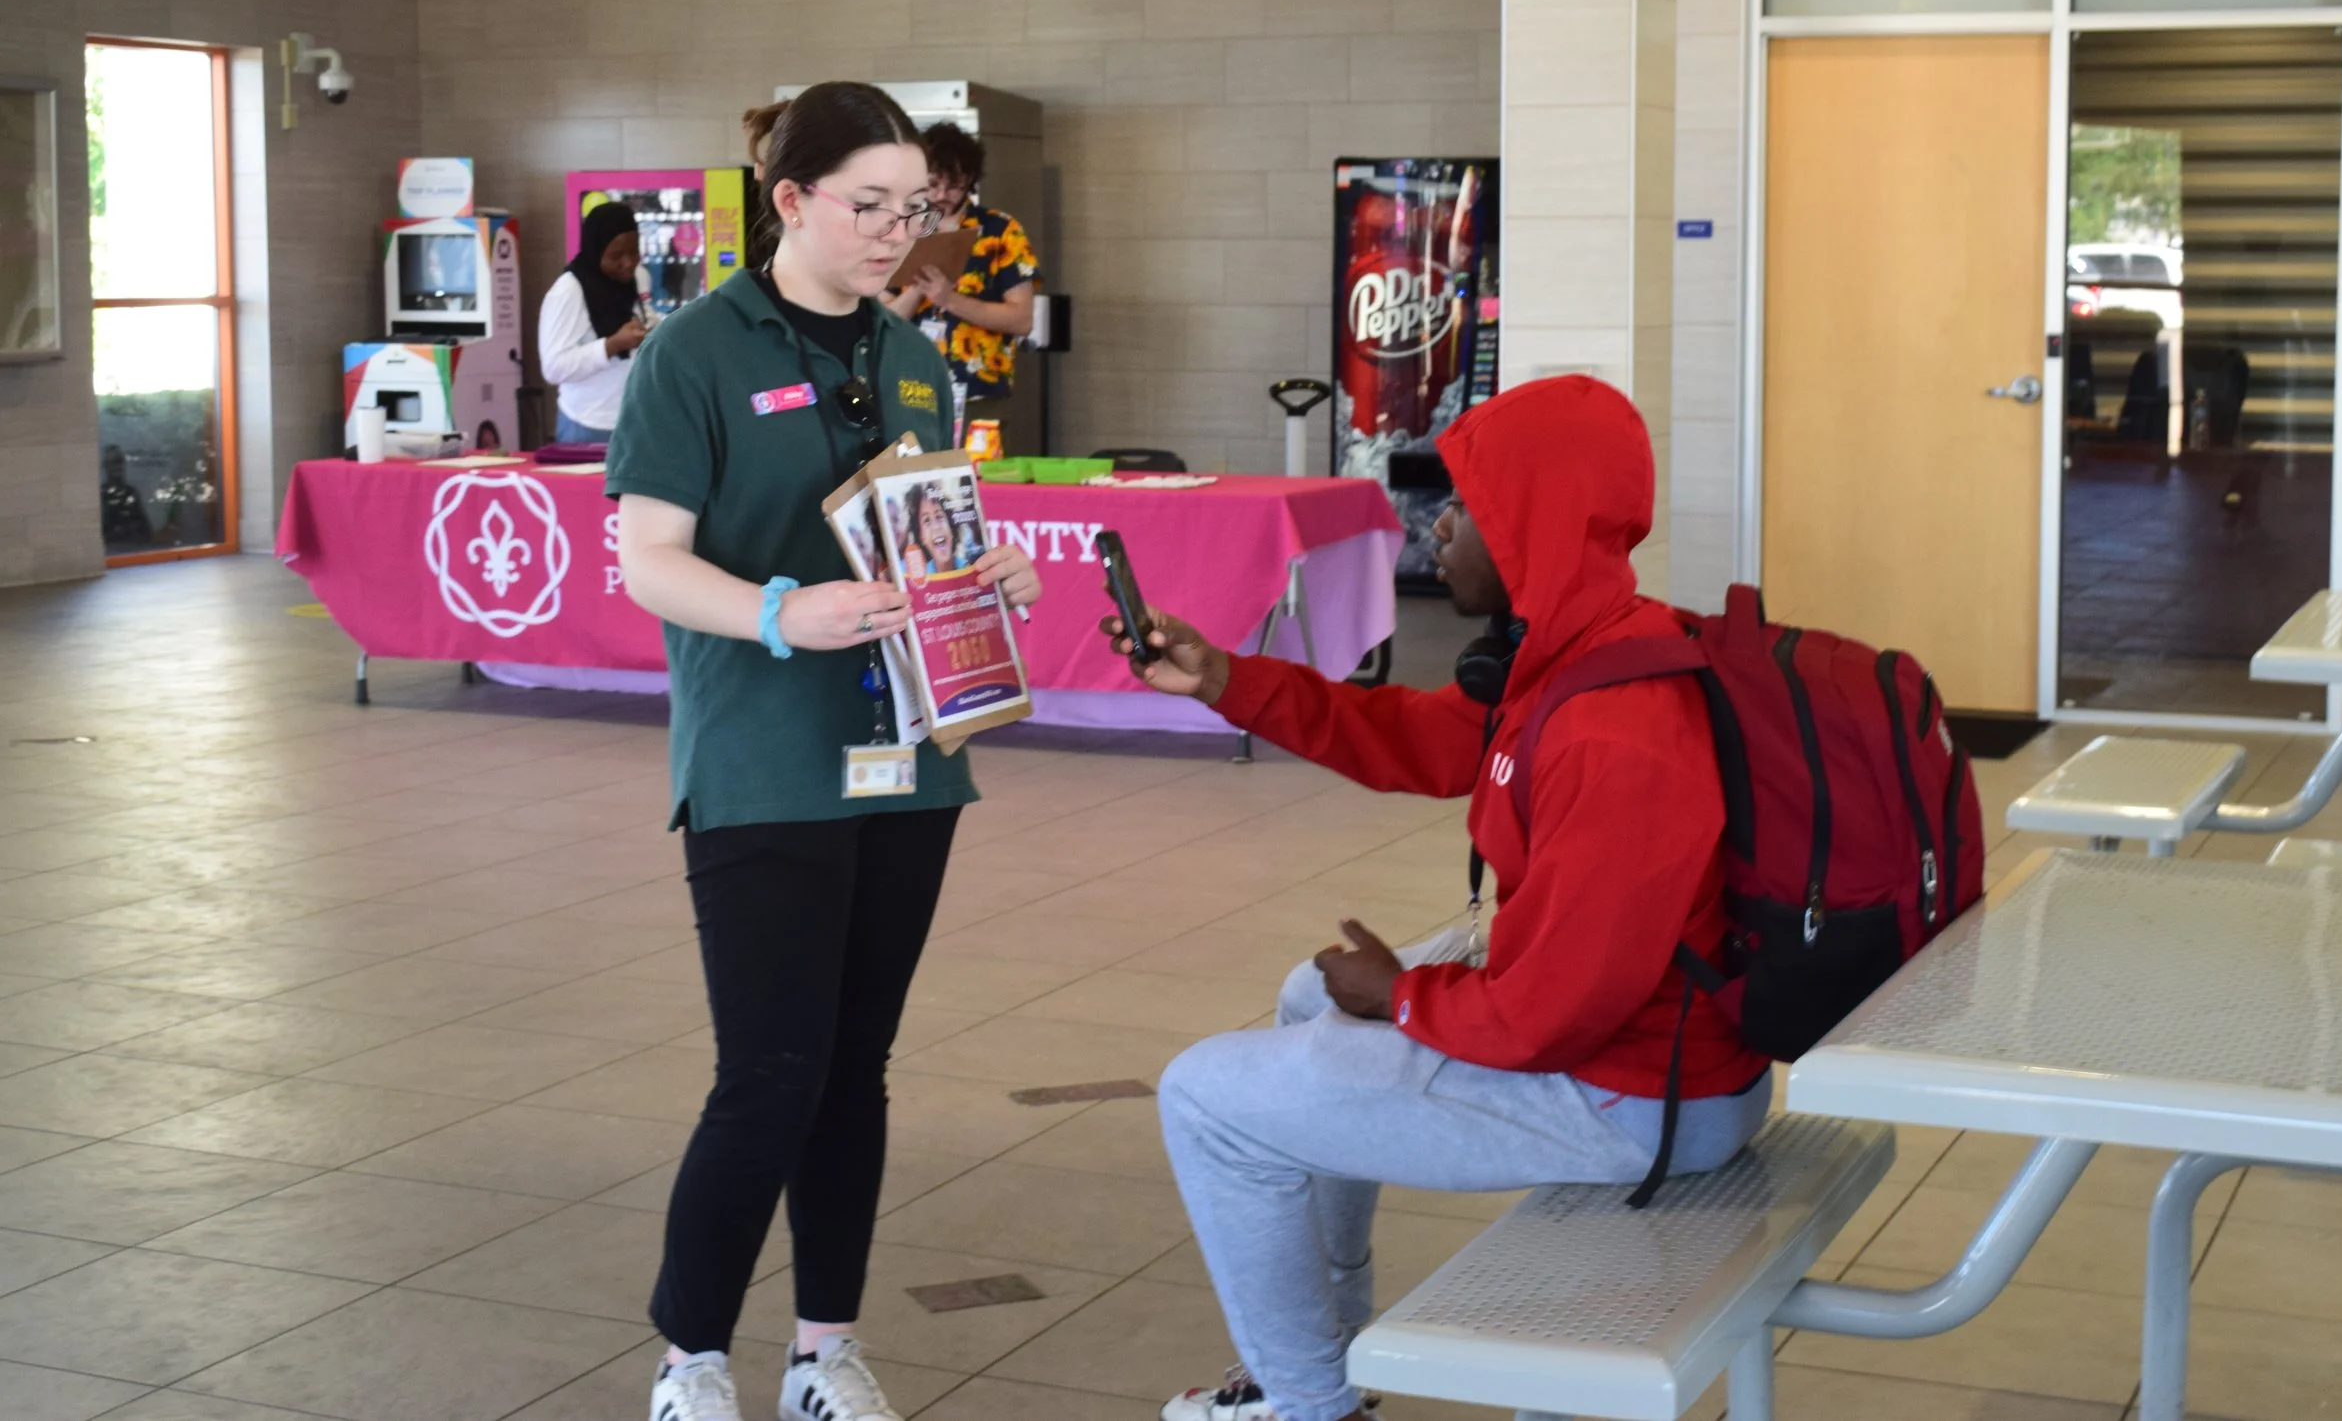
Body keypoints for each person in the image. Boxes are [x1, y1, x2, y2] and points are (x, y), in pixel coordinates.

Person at [1106, 376, 1771, 1421]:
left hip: (1641, 1098)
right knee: (1302, 994)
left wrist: (1405, 994)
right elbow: (1416, 736)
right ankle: (1325, 1348)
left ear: (1533, 527)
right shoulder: (1577, 652)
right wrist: (1225, 678)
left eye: (1469, 503)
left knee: (1204, 1096)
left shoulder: (1616, 727)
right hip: (1645, 1052)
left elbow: (1556, 1008)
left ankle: (1312, 1402)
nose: (1440, 524)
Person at [608, 81, 1044, 1421]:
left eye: (914, 209)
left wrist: (988, 576)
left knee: (857, 1063)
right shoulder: (696, 352)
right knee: (773, 1068)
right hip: (763, 758)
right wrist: (784, 614)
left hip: (906, 756)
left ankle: (824, 1347)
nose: (896, 233)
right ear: (789, 200)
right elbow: (647, 562)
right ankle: (688, 1355)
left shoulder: (915, 357)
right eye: (869, 205)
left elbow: (920, 528)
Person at [883, 121, 1037, 410]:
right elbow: (882, 323)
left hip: (979, 390)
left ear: (970, 181)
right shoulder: (900, 229)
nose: (941, 195)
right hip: (911, 390)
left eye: (954, 186)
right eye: (932, 184)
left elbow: (1022, 320)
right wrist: (918, 288)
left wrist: (948, 299)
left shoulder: (1001, 230)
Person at [538, 199, 648, 445]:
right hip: (586, 424)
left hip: (633, 420)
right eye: (616, 255)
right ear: (595, 250)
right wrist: (612, 345)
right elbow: (554, 367)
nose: (628, 263)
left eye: (634, 251)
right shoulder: (569, 291)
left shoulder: (638, 278)